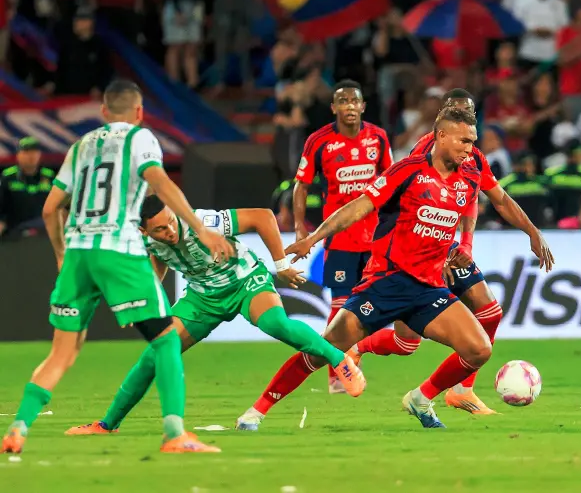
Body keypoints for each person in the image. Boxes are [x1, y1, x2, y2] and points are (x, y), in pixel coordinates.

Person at [237, 105, 553, 431]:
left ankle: (421, 398)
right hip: (386, 281)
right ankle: (255, 412)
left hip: (428, 288)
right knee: (322, 351)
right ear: (440, 136)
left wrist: (532, 231)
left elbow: (500, 200)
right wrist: (314, 237)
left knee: (478, 350)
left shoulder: (471, 171)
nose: (468, 149)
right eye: (462, 141)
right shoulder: (408, 170)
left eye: (472, 142)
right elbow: (360, 206)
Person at [1, 80, 235, 455]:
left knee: (62, 353)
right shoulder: (140, 139)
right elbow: (158, 181)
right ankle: (175, 433)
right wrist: (199, 227)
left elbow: (50, 209)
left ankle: (18, 427)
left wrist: (62, 254)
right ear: (139, 112)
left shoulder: (80, 147)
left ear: (104, 112)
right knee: (166, 339)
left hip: (78, 252)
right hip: (118, 248)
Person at [64, 196, 364, 436]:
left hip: (245, 280)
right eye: (160, 230)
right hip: (203, 298)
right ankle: (107, 424)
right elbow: (159, 259)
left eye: (170, 222)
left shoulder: (201, 221)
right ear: (144, 231)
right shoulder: (145, 241)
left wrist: (281, 263)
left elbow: (262, 216)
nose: (170, 231)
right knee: (155, 354)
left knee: (275, 323)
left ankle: (340, 360)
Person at [289, 79, 393, 394]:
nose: (349, 106)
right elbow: (301, 184)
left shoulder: (378, 138)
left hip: (375, 238)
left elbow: (391, 181)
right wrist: (299, 226)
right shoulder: (318, 142)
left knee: (376, 305)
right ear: (333, 108)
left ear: (363, 106)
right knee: (341, 304)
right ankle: (337, 373)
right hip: (341, 240)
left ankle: (353, 355)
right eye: (343, 101)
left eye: (354, 101)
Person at [0, 137, 55, 237]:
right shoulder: (8, 177)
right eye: (26, 152)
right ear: (18, 155)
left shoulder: (49, 176)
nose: (31, 156)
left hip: (44, 232)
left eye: (34, 152)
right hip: (15, 231)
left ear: (39, 155)